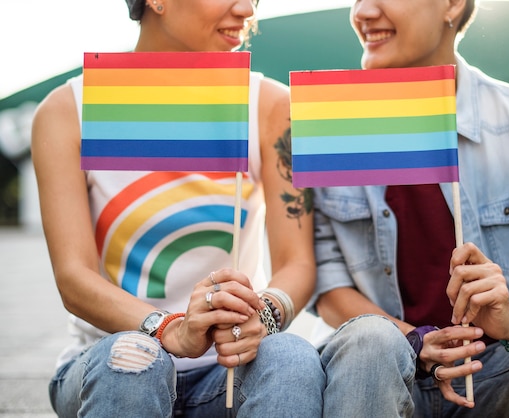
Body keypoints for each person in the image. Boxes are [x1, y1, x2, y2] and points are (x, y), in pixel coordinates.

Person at [309, 0, 509, 417]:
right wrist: (417, 341)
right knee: (368, 340)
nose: (363, 12)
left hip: (502, 370)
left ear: (452, 5)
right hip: (386, 371)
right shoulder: (332, 123)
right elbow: (328, 287)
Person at [31, 1, 325, 416]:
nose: (246, 9)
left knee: (292, 357)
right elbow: (73, 277)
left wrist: (265, 315)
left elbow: (298, 263)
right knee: (132, 357)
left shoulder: (270, 104)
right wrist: (168, 329)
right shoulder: (68, 110)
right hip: (110, 363)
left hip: (227, 371)